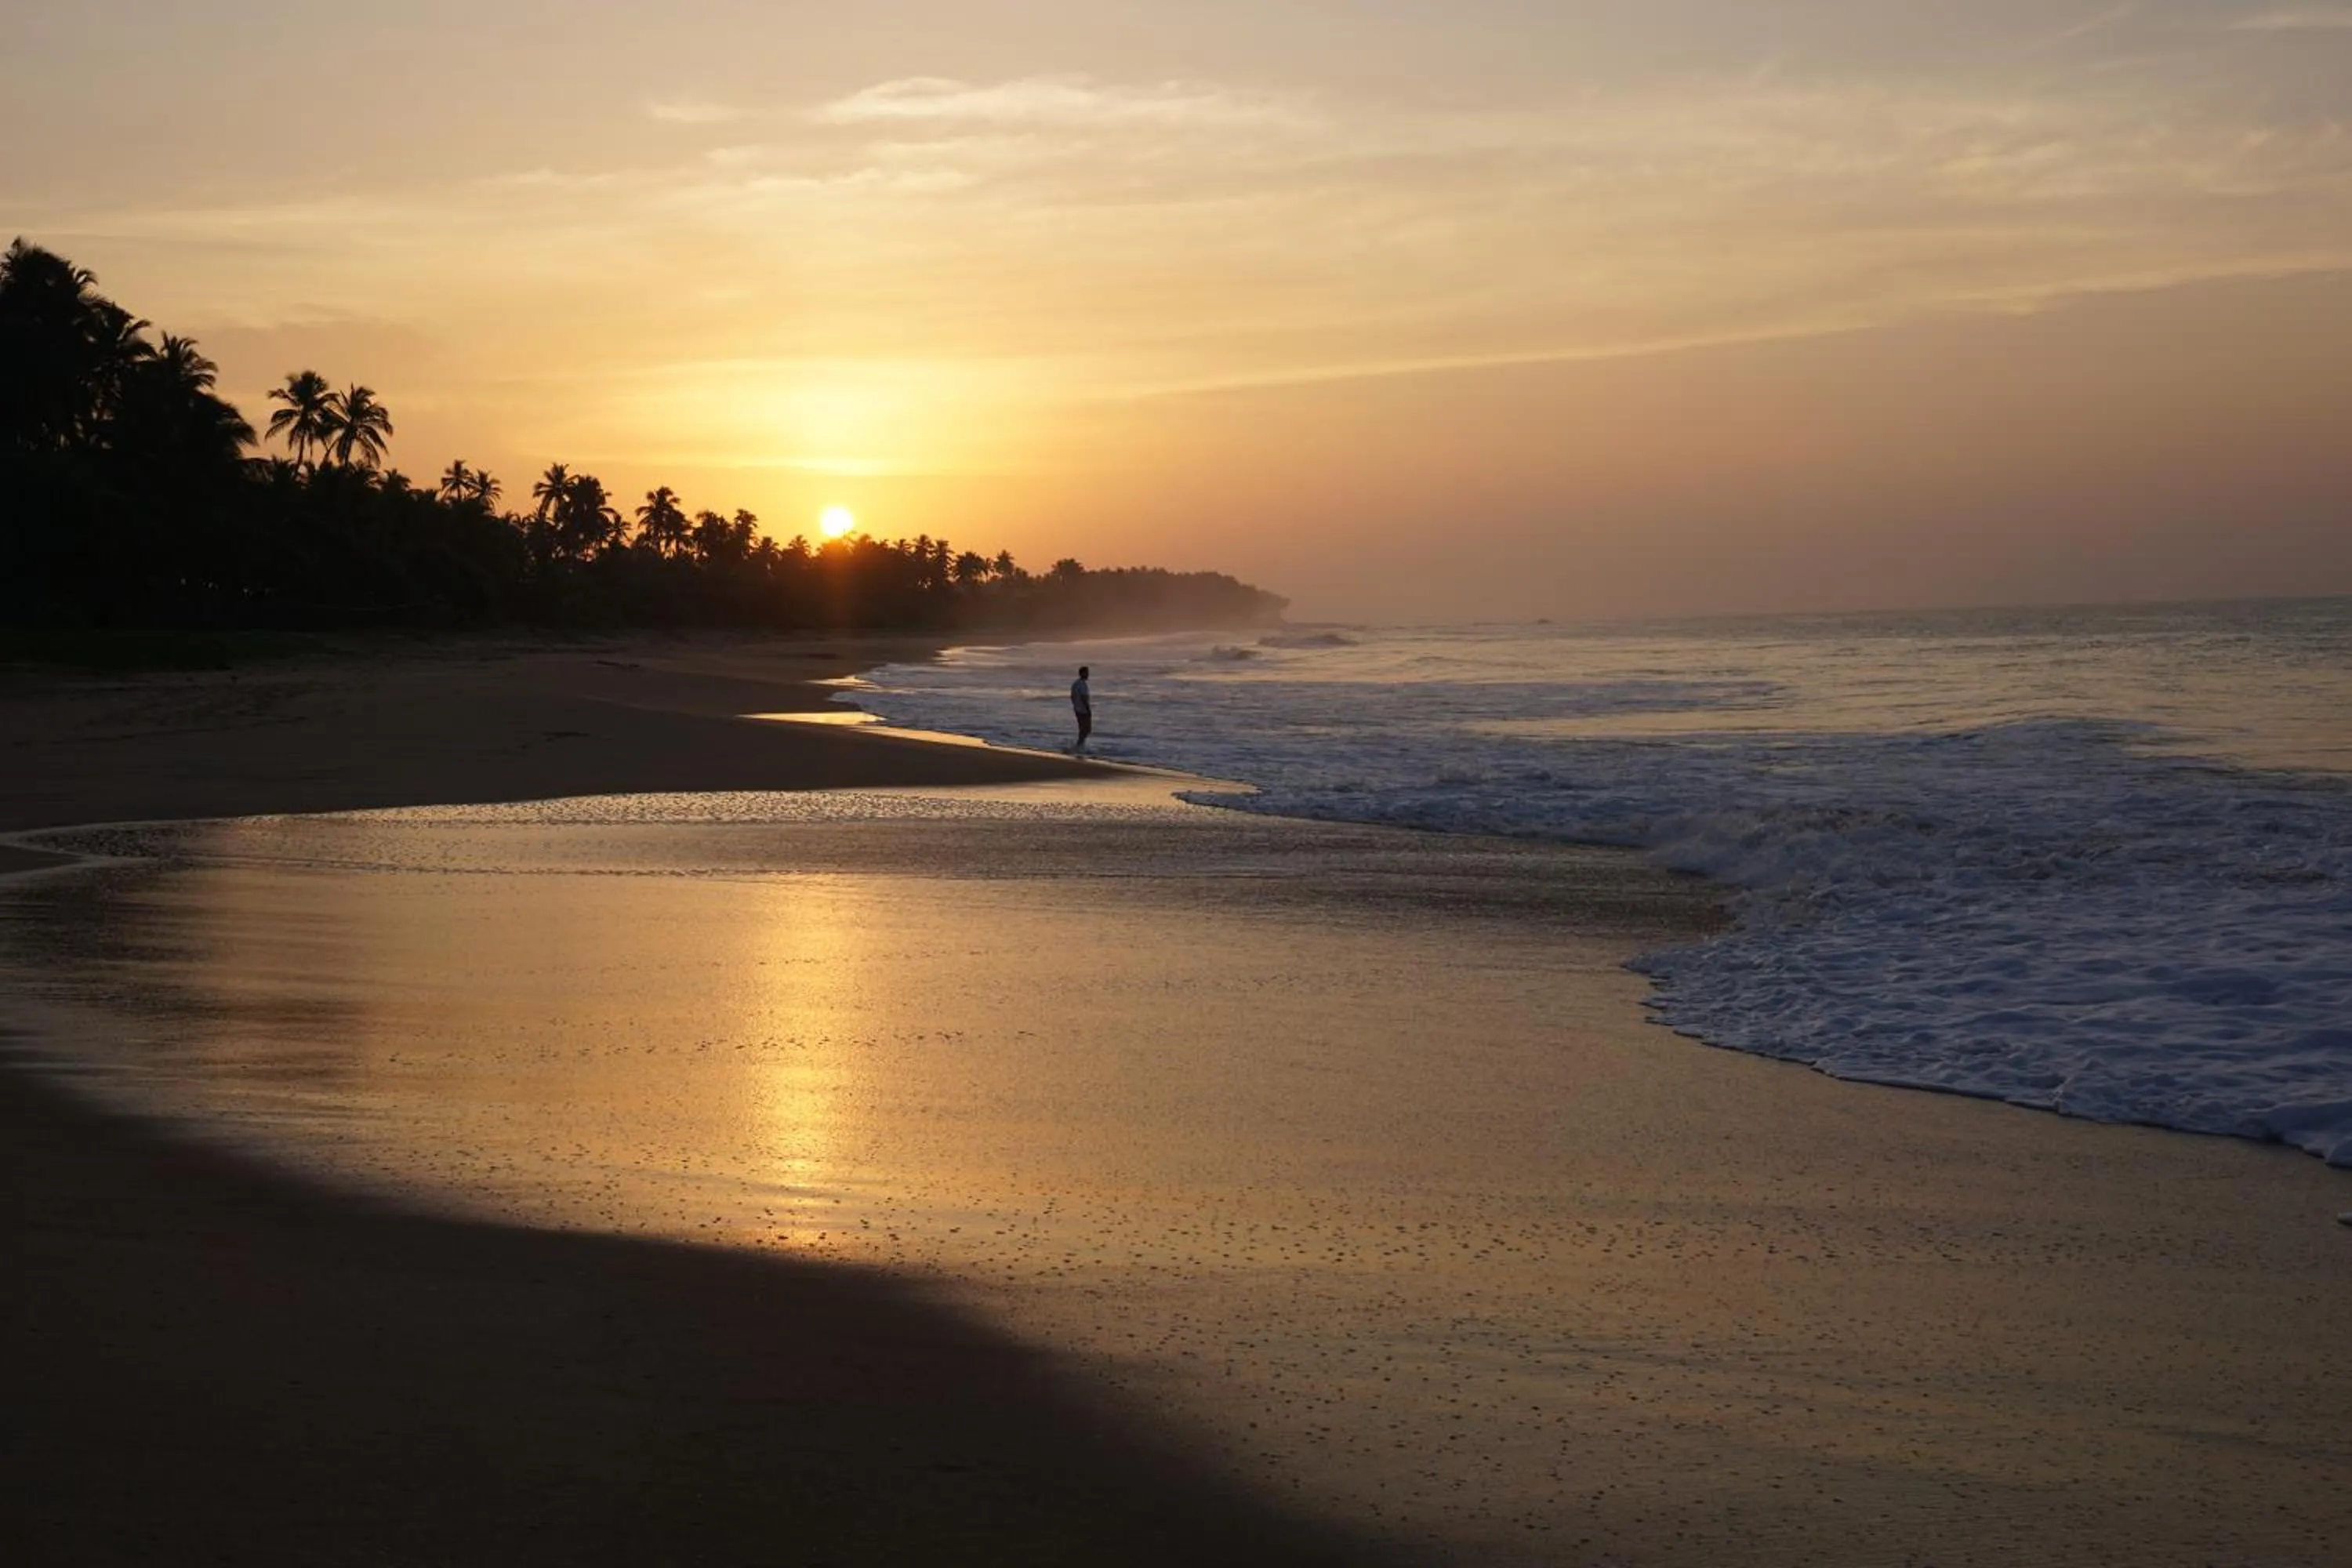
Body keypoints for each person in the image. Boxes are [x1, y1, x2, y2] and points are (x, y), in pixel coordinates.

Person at [1070, 665, 1093, 752]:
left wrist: (1075, 705)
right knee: (1087, 729)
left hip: (1077, 709)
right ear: (1082, 673)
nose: (1088, 675)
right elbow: (1084, 698)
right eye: (1087, 673)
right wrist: (1088, 709)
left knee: (1083, 729)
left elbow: (1072, 697)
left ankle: (1080, 745)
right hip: (1083, 710)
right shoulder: (1082, 684)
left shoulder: (1075, 684)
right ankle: (1079, 745)